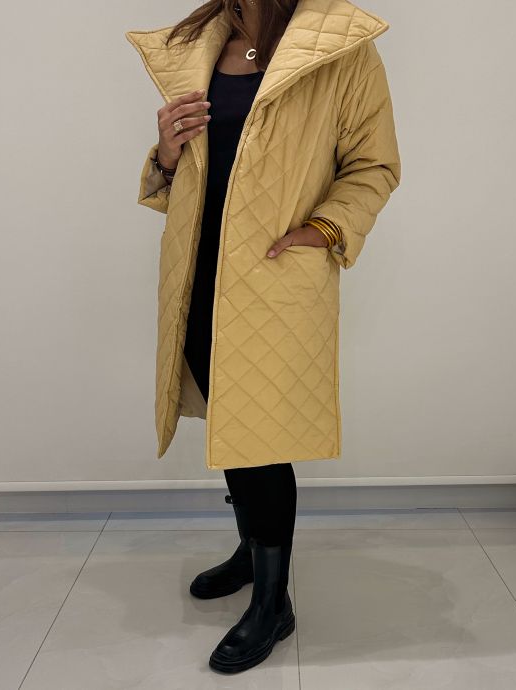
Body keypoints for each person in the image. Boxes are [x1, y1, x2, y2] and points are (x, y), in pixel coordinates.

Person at [126, 0, 400, 674]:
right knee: (231, 418)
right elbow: (188, 174)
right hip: (196, 271)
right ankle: (252, 553)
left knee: (263, 437)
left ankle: (273, 604)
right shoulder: (202, 41)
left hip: (274, 277)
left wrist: (323, 230)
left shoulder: (341, 49)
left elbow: (375, 165)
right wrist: (166, 153)